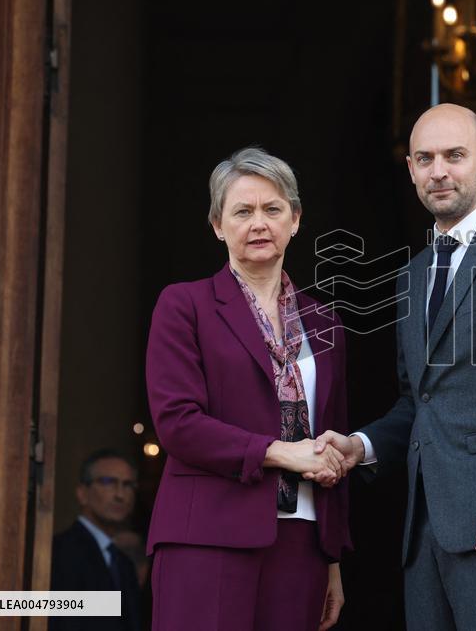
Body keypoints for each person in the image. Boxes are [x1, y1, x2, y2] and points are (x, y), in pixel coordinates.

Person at [315, 103, 476, 630]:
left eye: (454, 156)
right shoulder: (411, 276)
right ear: (410, 169)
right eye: (425, 158)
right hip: (426, 529)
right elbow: (420, 402)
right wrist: (361, 446)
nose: (439, 171)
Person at [145, 147, 351, 631]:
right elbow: (177, 424)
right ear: (218, 225)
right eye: (242, 211)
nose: (259, 223)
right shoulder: (184, 305)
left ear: (295, 220)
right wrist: (281, 452)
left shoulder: (327, 322)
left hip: (303, 542)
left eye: (273, 209)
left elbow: (333, 441)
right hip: (207, 538)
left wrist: (334, 557)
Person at [49, 449, 142, 631]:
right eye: (108, 482)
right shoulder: (57, 553)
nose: (120, 495)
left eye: (128, 485)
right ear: (82, 493)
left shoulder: (124, 564)